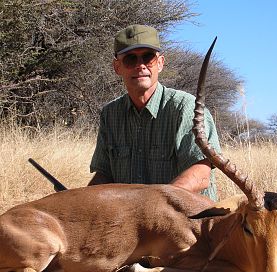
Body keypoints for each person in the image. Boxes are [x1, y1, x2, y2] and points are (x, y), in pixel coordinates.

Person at [88, 24, 221, 201]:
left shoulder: (184, 107)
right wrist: (79, 201)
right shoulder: (110, 114)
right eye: (130, 59)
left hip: (188, 220)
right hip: (134, 221)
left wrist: (156, 205)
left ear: (160, 63)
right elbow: (104, 175)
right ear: (117, 67)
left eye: (148, 57)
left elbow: (201, 172)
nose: (140, 65)